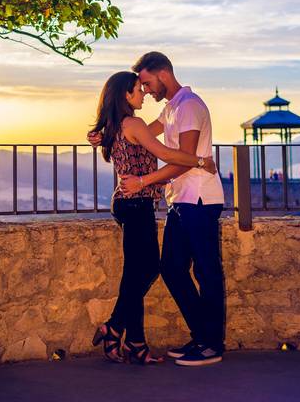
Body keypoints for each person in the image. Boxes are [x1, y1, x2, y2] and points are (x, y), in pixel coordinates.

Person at [89, 71, 217, 365]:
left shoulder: (116, 124)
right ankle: (114, 327)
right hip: (136, 205)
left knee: (135, 273)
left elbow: (121, 141)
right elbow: (162, 151)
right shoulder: (132, 123)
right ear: (125, 94)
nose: (143, 93)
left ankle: (135, 343)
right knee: (145, 270)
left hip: (128, 204)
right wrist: (200, 161)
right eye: (138, 88)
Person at [115, 51, 227, 366]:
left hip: (200, 200)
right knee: (172, 268)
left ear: (162, 73)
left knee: (207, 272)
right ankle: (202, 336)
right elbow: (141, 134)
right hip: (181, 200)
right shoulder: (173, 108)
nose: (147, 91)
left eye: (148, 83)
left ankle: (212, 345)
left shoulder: (190, 107)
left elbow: (182, 158)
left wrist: (143, 181)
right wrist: (107, 132)